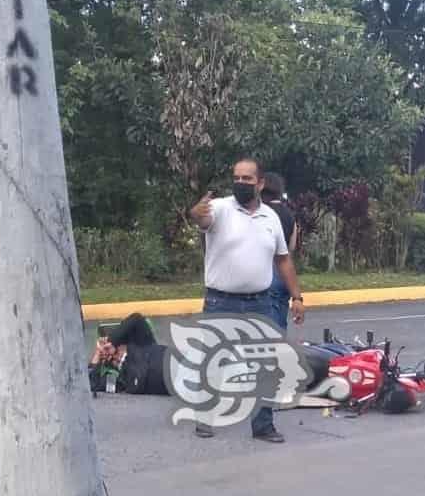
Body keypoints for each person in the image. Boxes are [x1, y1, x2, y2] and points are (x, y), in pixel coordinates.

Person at [188, 157, 306, 443]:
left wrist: (297, 297)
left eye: (247, 179)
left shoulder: (271, 219)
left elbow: (283, 260)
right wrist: (196, 213)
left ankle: (263, 426)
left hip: (260, 302)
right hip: (220, 301)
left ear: (260, 183)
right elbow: (203, 219)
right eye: (237, 178)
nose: (241, 183)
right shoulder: (220, 208)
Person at [88, 313, 169, 396]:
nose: (106, 350)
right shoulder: (121, 381)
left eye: (106, 345)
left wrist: (112, 341)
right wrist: (97, 354)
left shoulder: (143, 343)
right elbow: (90, 384)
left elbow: (136, 319)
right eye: (104, 349)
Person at [261, 172, 299, 330]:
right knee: (280, 322)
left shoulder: (261, 213)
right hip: (285, 275)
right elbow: (291, 247)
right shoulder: (289, 215)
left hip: (266, 271)